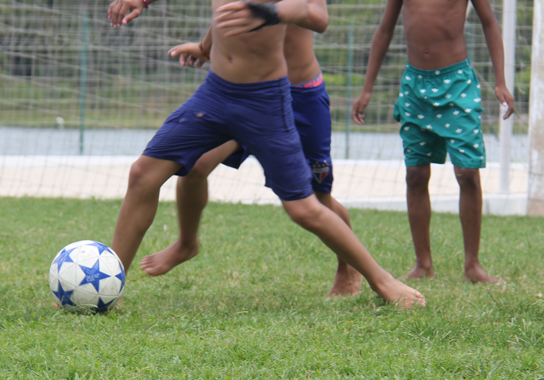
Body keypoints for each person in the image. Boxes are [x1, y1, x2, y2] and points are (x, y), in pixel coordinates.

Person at [108, 0, 425, 307]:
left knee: (308, 207)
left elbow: (310, 12)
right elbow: (225, 12)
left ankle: (378, 279)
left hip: (270, 100)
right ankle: (110, 285)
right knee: (147, 173)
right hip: (218, 92)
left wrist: (269, 12)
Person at [351, 0, 513, 284]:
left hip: (457, 84)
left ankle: (473, 266)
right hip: (415, 85)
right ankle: (423, 264)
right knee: (415, 173)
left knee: (467, 173)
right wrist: (367, 89)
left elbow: (490, 23)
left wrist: (500, 80)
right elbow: (384, 31)